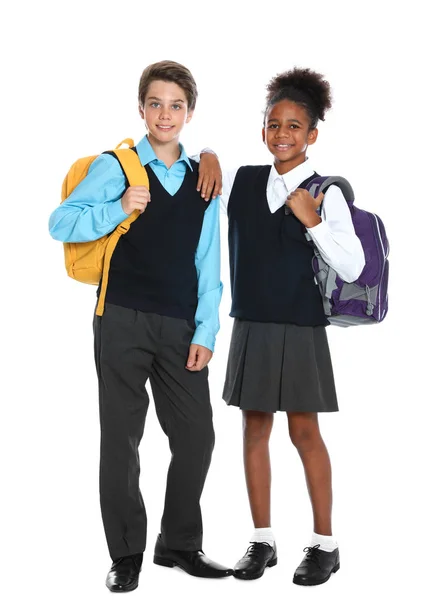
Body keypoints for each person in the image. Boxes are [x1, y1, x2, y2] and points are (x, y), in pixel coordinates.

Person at [49, 60, 231, 592]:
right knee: (121, 442)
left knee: (197, 437)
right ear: (141, 108)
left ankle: (177, 545)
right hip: (120, 320)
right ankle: (126, 553)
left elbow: (208, 262)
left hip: (180, 327)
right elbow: (61, 221)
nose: (165, 114)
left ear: (191, 112)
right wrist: (117, 208)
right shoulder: (118, 166)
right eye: (156, 103)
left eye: (176, 105)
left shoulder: (205, 176)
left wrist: (205, 332)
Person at [219, 67, 365, 586]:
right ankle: (262, 540)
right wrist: (209, 156)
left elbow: (352, 266)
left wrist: (314, 220)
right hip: (252, 323)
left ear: (312, 134)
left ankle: (325, 544)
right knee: (253, 430)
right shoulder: (242, 180)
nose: (283, 133)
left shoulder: (325, 192)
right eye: (274, 123)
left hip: (301, 326)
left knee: (305, 431)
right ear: (263, 129)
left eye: (295, 126)